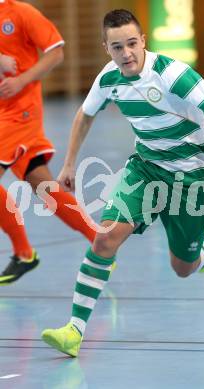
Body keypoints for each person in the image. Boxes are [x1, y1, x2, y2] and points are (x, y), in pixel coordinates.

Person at [41, 8, 204, 357]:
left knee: (183, 268)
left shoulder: (171, 74)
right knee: (105, 238)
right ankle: (74, 330)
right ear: (106, 47)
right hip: (146, 169)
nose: (126, 53)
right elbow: (85, 115)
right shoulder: (109, 78)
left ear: (143, 41)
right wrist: (69, 162)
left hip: (191, 176)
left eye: (132, 43)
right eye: (117, 47)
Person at [0, 0, 96, 285]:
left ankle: (24, 251)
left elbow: (56, 53)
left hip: (19, 114)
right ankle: (100, 242)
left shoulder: (20, 13)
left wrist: (21, 80)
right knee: (43, 186)